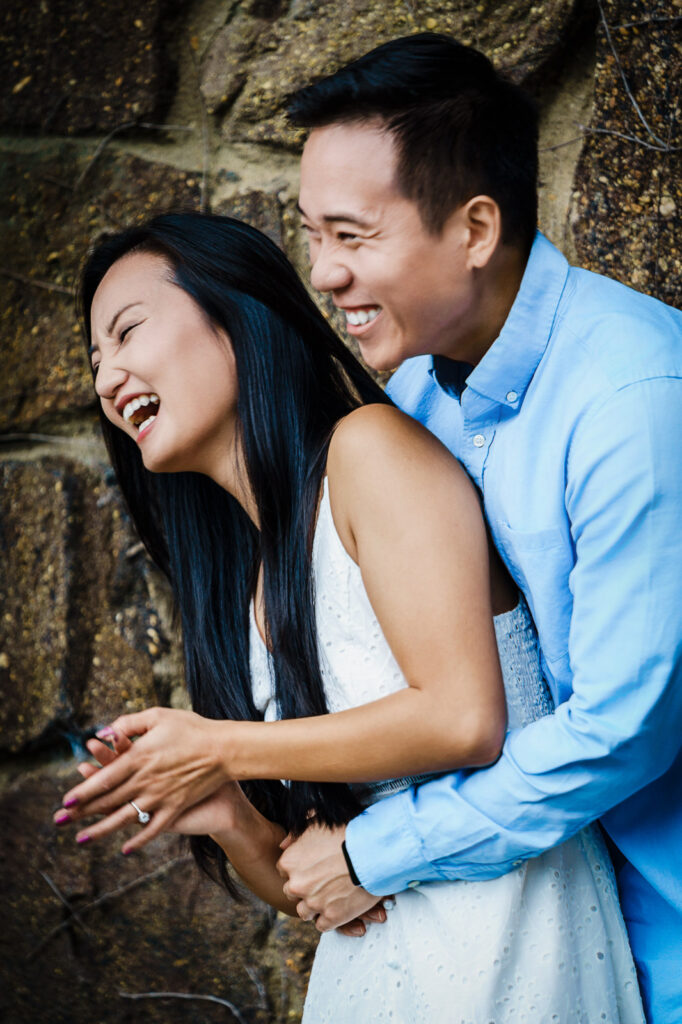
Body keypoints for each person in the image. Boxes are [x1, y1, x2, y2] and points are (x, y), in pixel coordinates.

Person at [55, 211, 645, 1021]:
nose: (107, 378)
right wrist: (226, 810)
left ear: (235, 312)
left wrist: (221, 745)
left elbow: (465, 718)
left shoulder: (368, 452)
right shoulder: (251, 584)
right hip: (376, 978)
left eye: (127, 334)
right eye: (95, 361)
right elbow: (319, 888)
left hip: (511, 947)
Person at [267, 33, 681, 1023]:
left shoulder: (632, 400)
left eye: (352, 236)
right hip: (547, 927)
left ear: (475, 228)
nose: (323, 273)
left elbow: (626, 727)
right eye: (310, 234)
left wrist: (379, 852)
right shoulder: (416, 397)